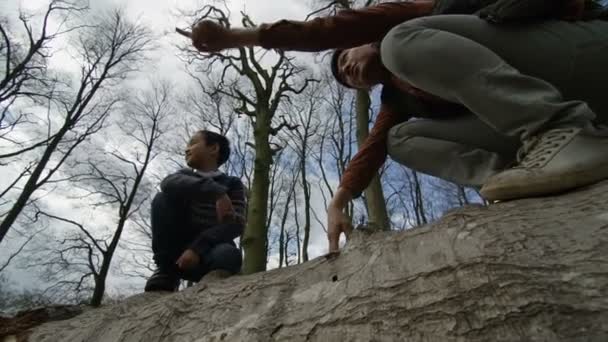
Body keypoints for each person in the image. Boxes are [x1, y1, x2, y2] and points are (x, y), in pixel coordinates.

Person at [184, 0, 608, 252]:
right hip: (577, 104)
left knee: (401, 42)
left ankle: (562, 128)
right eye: (346, 79)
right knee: (401, 139)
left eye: (345, 60)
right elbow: (370, 153)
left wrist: (234, 38)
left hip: (581, 53)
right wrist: (337, 202)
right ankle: (516, 178)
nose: (349, 71)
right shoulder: (400, 95)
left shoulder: (410, 26)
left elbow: (326, 30)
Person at [145, 130, 246, 292]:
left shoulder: (232, 183)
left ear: (213, 148)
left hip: (211, 251)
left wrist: (196, 249)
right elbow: (168, 183)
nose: (186, 149)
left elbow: (236, 224)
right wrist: (217, 192)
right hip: (177, 255)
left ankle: (213, 282)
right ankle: (166, 272)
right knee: (161, 198)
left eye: (193, 143)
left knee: (229, 255)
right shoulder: (183, 176)